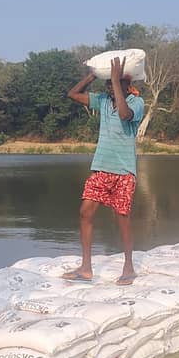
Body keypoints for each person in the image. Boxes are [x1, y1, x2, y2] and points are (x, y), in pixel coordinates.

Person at [62, 57, 145, 286]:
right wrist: (92, 75)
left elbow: (124, 114)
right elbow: (73, 94)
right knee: (85, 212)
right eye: (108, 83)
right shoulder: (102, 101)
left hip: (124, 171)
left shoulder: (137, 103)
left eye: (116, 83)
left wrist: (117, 83)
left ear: (128, 85)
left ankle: (128, 267)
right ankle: (86, 268)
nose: (110, 87)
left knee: (122, 217)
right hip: (101, 168)